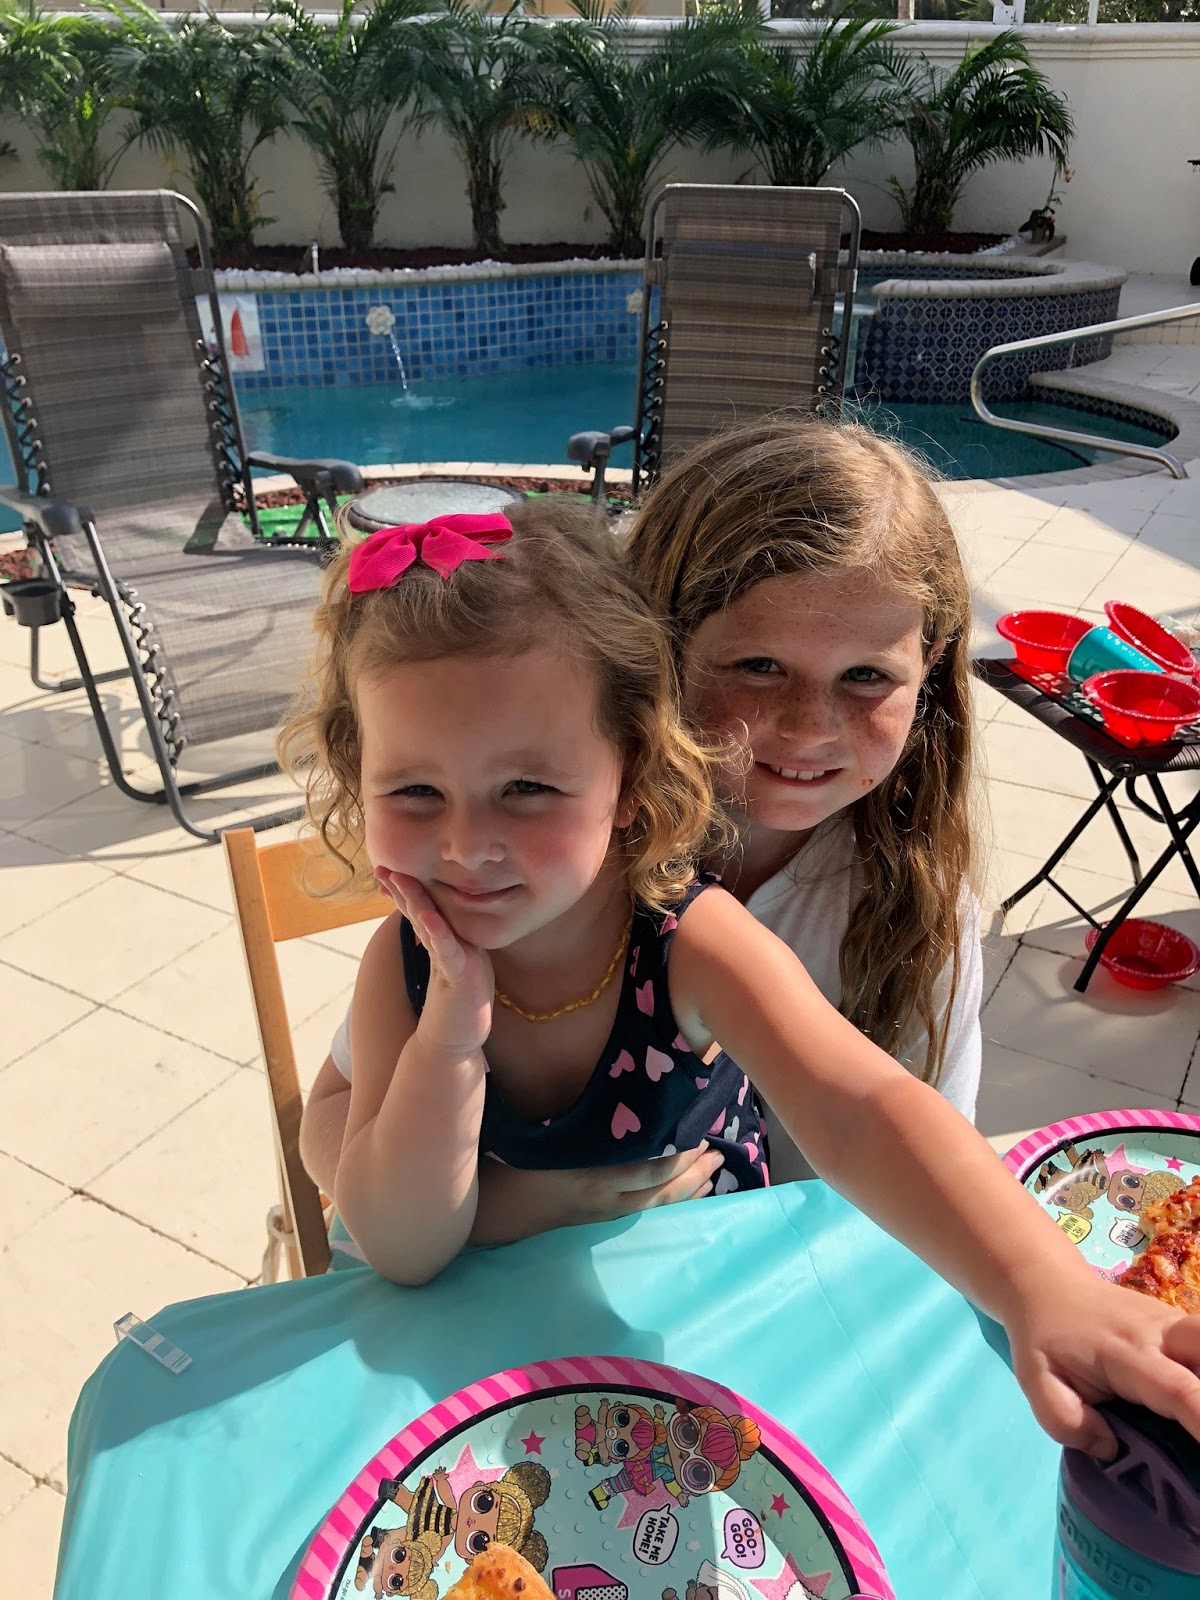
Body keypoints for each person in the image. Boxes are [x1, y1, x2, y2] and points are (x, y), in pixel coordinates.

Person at [280, 494, 1200, 1461]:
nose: (468, 846)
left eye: (528, 789)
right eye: (415, 791)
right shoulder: (406, 968)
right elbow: (402, 1245)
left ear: (629, 772)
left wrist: (1041, 1285)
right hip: (476, 1374)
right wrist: (453, 1039)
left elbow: (862, 1105)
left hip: (704, 1339)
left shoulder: (688, 937)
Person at [302, 416, 981, 1197]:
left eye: (866, 677)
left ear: (928, 666)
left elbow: (917, 1145)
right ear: (653, 658)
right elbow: (338, 1126)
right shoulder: (546, 870)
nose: (808, 726)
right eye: (758, 665)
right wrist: (529, 1205)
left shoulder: (916, 905)